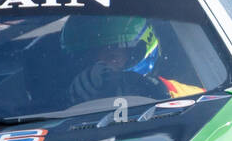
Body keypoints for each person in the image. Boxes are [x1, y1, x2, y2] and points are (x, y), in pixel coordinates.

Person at [61, 14, 201, 106]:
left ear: (137, 52)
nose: (101, 66)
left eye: (113, 57)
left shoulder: (190, 99)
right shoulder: (51, 111)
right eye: (89, 60)